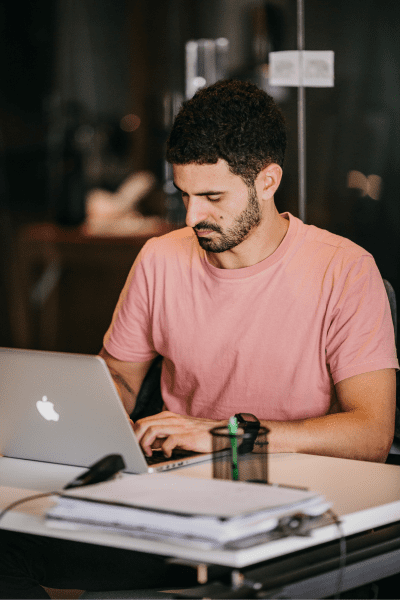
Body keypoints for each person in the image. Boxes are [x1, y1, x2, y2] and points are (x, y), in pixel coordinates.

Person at [0, 79, 398, 599]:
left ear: (267, 181)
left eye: (212, 197)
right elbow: (118, 375)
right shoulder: (160, 259)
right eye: (184, 195)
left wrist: (223, 434)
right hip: (172, 497)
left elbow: (370, 435)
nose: (192, 217)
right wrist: (94, 424)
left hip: (291, 514)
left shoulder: (344, 270)